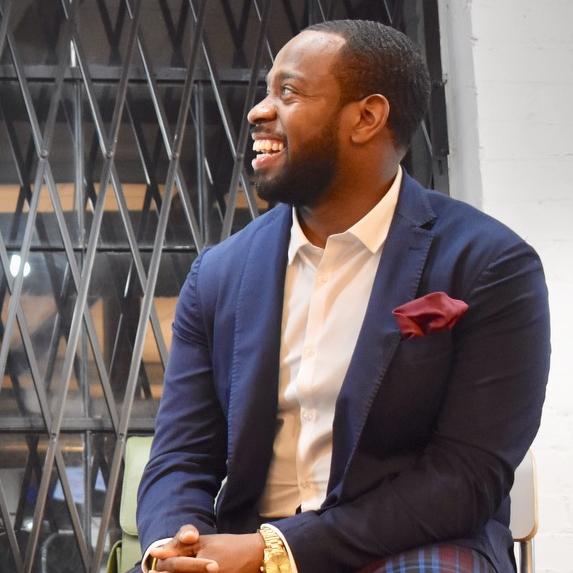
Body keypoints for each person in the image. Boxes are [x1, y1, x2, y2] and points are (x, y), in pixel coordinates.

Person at [135, 19, 550, 573]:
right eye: (266, 92)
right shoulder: (218, 274)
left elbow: (464, 478)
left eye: (288, 92)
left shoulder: (489, 265)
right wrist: (179, 546)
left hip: (406, 545)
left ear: (366, 118)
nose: (258, 111)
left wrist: (276, 550)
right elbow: (182, 456)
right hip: (240, 547)